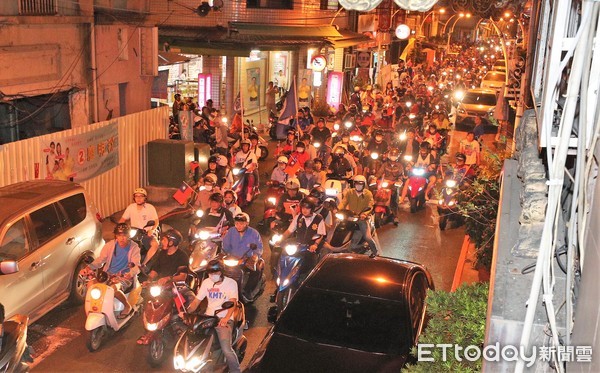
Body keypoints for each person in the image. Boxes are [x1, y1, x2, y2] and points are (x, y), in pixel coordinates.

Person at [137, 229, 190, 345]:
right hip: (160, 287)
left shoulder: (182, 256)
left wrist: (168, 278)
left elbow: (182, 276)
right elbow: (155, 270)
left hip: (175, 286)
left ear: (172, 242)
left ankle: (183, 328)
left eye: (165, 240)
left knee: (182, 307)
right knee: (147, 302)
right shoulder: (162, 253)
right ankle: (148, 330)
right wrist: (149, 280)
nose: (162, 242)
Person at [186, 260, 240, 373]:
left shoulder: (231, 283)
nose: (212, 275)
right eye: (210, 273)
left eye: (215, 272)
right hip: (208, 318)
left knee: (226, 349)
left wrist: (226, 318)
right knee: (194, 340)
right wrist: (187, 312)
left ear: (221, 272)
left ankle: (236, 370)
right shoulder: (206, 282)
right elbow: (197, 301)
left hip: (223, 319)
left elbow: (233, 303)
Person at [84, 223, 141, 318]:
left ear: (128, 236)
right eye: (119, 235)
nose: (122, 238)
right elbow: (101, 260)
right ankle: (94, 308)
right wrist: (89, 267)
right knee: (91, 285)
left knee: (113, 289)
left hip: (124, 276)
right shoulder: (110, 245)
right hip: (108, 274)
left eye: (124, 235)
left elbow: (136, 265)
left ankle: (127, 306)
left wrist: (130, 273)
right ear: (116, 236)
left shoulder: (134, 247)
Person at [280, 196, 326, 269]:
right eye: (303, 208)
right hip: (298, 243)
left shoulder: (319, 219)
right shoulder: (299, 217)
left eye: (307, 208)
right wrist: (280, 239)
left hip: (310, 246)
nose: (305, 210)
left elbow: (320, 235)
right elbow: (289, 231)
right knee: (279, 251)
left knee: (312, 262)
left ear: (312, 209)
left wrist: (315, 244)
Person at [222, 213, 263, 293]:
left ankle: (248, 291)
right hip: (233, 259)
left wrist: (255, 256)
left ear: (246, 223)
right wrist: (225, 254)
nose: (238, 226)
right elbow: (225, 245)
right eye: (237, 223)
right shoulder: (231, 231)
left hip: (247, 259)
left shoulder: (254, 233)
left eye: (241, 224)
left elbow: (259, 247)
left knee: (256, 271)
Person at [338, 175, 378, 255]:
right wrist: (338, 209)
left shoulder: (368, 194)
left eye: (360, 184)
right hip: (350, 216)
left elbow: (370, 206)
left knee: (368, 237)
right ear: (354, 184)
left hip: (362, 218)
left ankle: (375, 251)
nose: (358, 186)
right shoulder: (350, 192)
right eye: (357, 184)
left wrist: (364, 214)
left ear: (364, 185)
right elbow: (343, 202)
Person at [120, 188, 159, 265]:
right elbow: (122, 219)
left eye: (141, 196)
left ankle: (144, 264)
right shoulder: (131, 207)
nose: (139, 198)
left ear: (145, 198)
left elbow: (156, 221)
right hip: (134, 232)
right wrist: (119, 229)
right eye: (136, 196)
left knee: (155, 244)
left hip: (146, 233)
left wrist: (152, 230)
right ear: (134, 198)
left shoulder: (150, 208)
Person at [376, 148, 405, 225]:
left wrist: (398, 181)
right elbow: (379, 173)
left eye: (394, 156)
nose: (393, 157)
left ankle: (395, 216)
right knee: (377, 194)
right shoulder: (385, 164)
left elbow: (401, 176)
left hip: (394, 185)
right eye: (392, 155)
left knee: (394, 199)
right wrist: (374, 178)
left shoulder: (400, 166)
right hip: (384, 184)